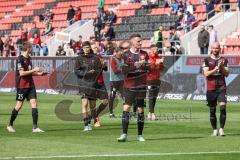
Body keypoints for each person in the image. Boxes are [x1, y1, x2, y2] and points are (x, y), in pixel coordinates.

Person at [7, 42, 47, 133]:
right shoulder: (20, 59)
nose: (33, 48)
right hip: (22, 86)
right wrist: (34, 70)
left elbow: (30, 72)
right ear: (28, 48)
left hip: (30, 85)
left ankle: (35, 127)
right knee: (19, 105)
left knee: (34, 103)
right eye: (32, 47)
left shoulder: (29, 58)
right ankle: (10, 124)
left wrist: (39, 74)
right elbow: (22, 73)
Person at [117, 33, 150, 142]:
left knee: (140, 109)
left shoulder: (145, 54)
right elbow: (123, 70)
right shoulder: (125, 55)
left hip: (141, 86)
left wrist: (144, 65)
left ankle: (140, 135)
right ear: (132, 42)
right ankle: (124, 134)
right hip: (129, 86)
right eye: (138, 41)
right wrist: (136, 65)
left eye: (140, 41)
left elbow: (149, 68)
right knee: (126, 108)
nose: (140, 43)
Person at [202, 42, 229, 136]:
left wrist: (221, 67)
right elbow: (206, 74)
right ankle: (214, 129)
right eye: (213, 48)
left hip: (221, 87)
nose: (215, 50)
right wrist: (216, 68)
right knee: (212, 110)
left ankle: (221, 129)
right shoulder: (206, 60)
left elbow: (226, 74)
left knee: (222, 107)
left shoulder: (224, 60)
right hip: (210, 89)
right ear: (211, 49)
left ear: (219, 49)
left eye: (217, 48)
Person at [74, 41, 102, 131]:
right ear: (82, 48)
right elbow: (76, 71)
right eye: (84, 47)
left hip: (93, 84)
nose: (86, 49)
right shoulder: (79, 58)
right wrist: (86, 73)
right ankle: (86, 125)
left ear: (90, 48)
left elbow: (99, 70)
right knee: (84, 104)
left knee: (92, 106)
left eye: (87, 47)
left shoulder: (95, 58)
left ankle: (89, 122)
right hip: (83, 84)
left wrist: (95, 73)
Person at [90, 42, 109, 127]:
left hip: (100, 82)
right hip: (91, 83)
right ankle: (96, 120)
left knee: (105, 101)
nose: (96, 49)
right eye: (94, 48)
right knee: (92, 104)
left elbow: (105, 69)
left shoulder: (100, 57)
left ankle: (96, 113)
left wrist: (104, 65)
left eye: (96, 48)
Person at [147, 44, 164, 120]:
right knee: (151, 95)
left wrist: (161, 64)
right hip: (149, 79)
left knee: (154, 97)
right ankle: (152, 113)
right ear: (152, 50)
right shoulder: (148, 57)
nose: (158, 50)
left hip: (157, 79)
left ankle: (150, 113)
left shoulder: (158, 57)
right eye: (156, 49)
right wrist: (156, 63)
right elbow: (149, 68)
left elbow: (162, 68)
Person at [108, 46, 125, 118]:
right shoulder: (113, 60)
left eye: (122, 51)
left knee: (125, 97)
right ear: (116, 52)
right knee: (112, 97)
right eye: (121, 51)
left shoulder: (123, 59)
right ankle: (111, 113)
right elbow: (115, 71)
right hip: (114, 82)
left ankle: (126, 113)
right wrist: (123, 69)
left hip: (122, 81)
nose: (122, 53)